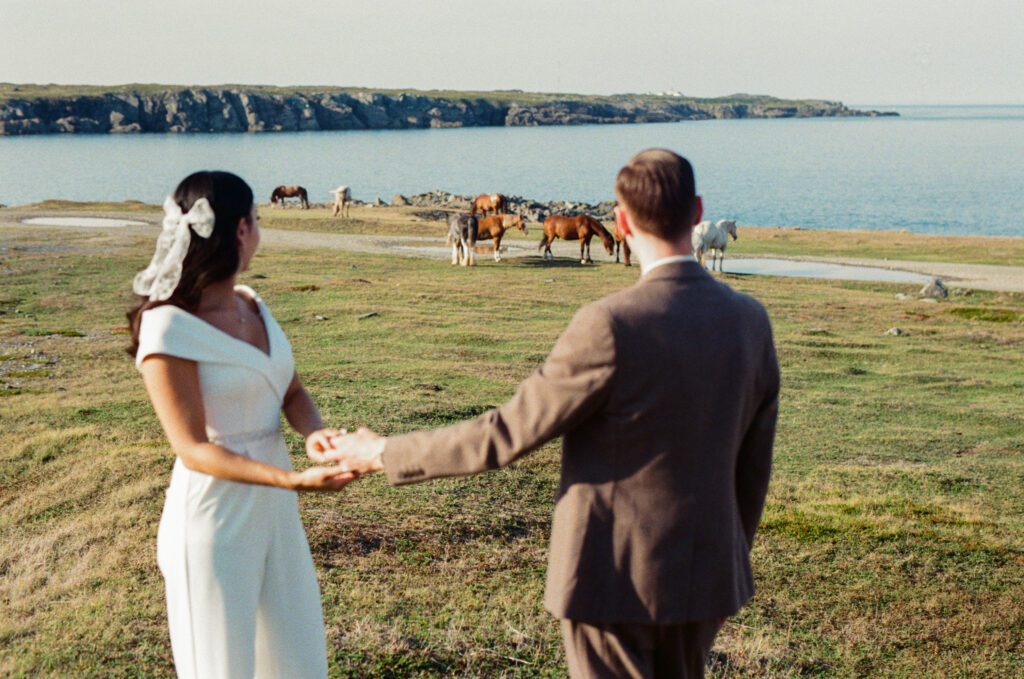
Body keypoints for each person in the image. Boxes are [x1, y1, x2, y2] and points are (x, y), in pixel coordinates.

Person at [323, 149, 780, 678]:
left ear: (623, 221)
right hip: (707, 576)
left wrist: (380, 451)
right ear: (697, 211)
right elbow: (753, 466)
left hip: (612, 582)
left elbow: (506, 434)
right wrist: (731, 564)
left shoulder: (610, 323)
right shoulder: (751, 320)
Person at [128, 171, 353, 678]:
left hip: (276, 512)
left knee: (298, 661)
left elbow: (291, 391)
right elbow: (191, 448)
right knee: (221, 668)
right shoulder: (166, 328)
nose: (258, 227)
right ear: (240, 231)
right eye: (255, 217)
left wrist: (315, 433)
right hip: (213, 516)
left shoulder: (253, 304)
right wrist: (292, 480)